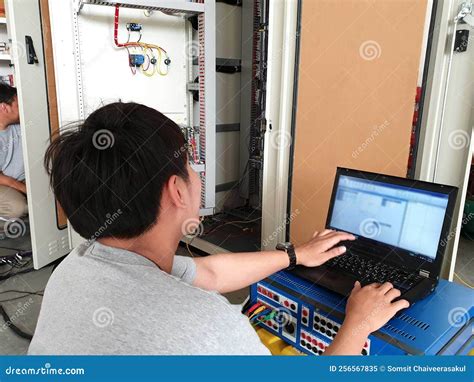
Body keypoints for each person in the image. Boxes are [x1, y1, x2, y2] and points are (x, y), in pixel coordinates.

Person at [29, 102, 409, 355]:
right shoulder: (206, 331)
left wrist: (294, 255)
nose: (196, 174)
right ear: (177, 190)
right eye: (190, 165)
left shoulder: (75, 268)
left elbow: (208, 272)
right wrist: (358, 323)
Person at [0, 84, 27, 226]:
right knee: (17, 207)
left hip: (20, 181)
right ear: (4, 107)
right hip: (5, 183)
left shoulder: (19, 125)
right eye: (18, 104)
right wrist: (22, 188)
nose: (23, 107)